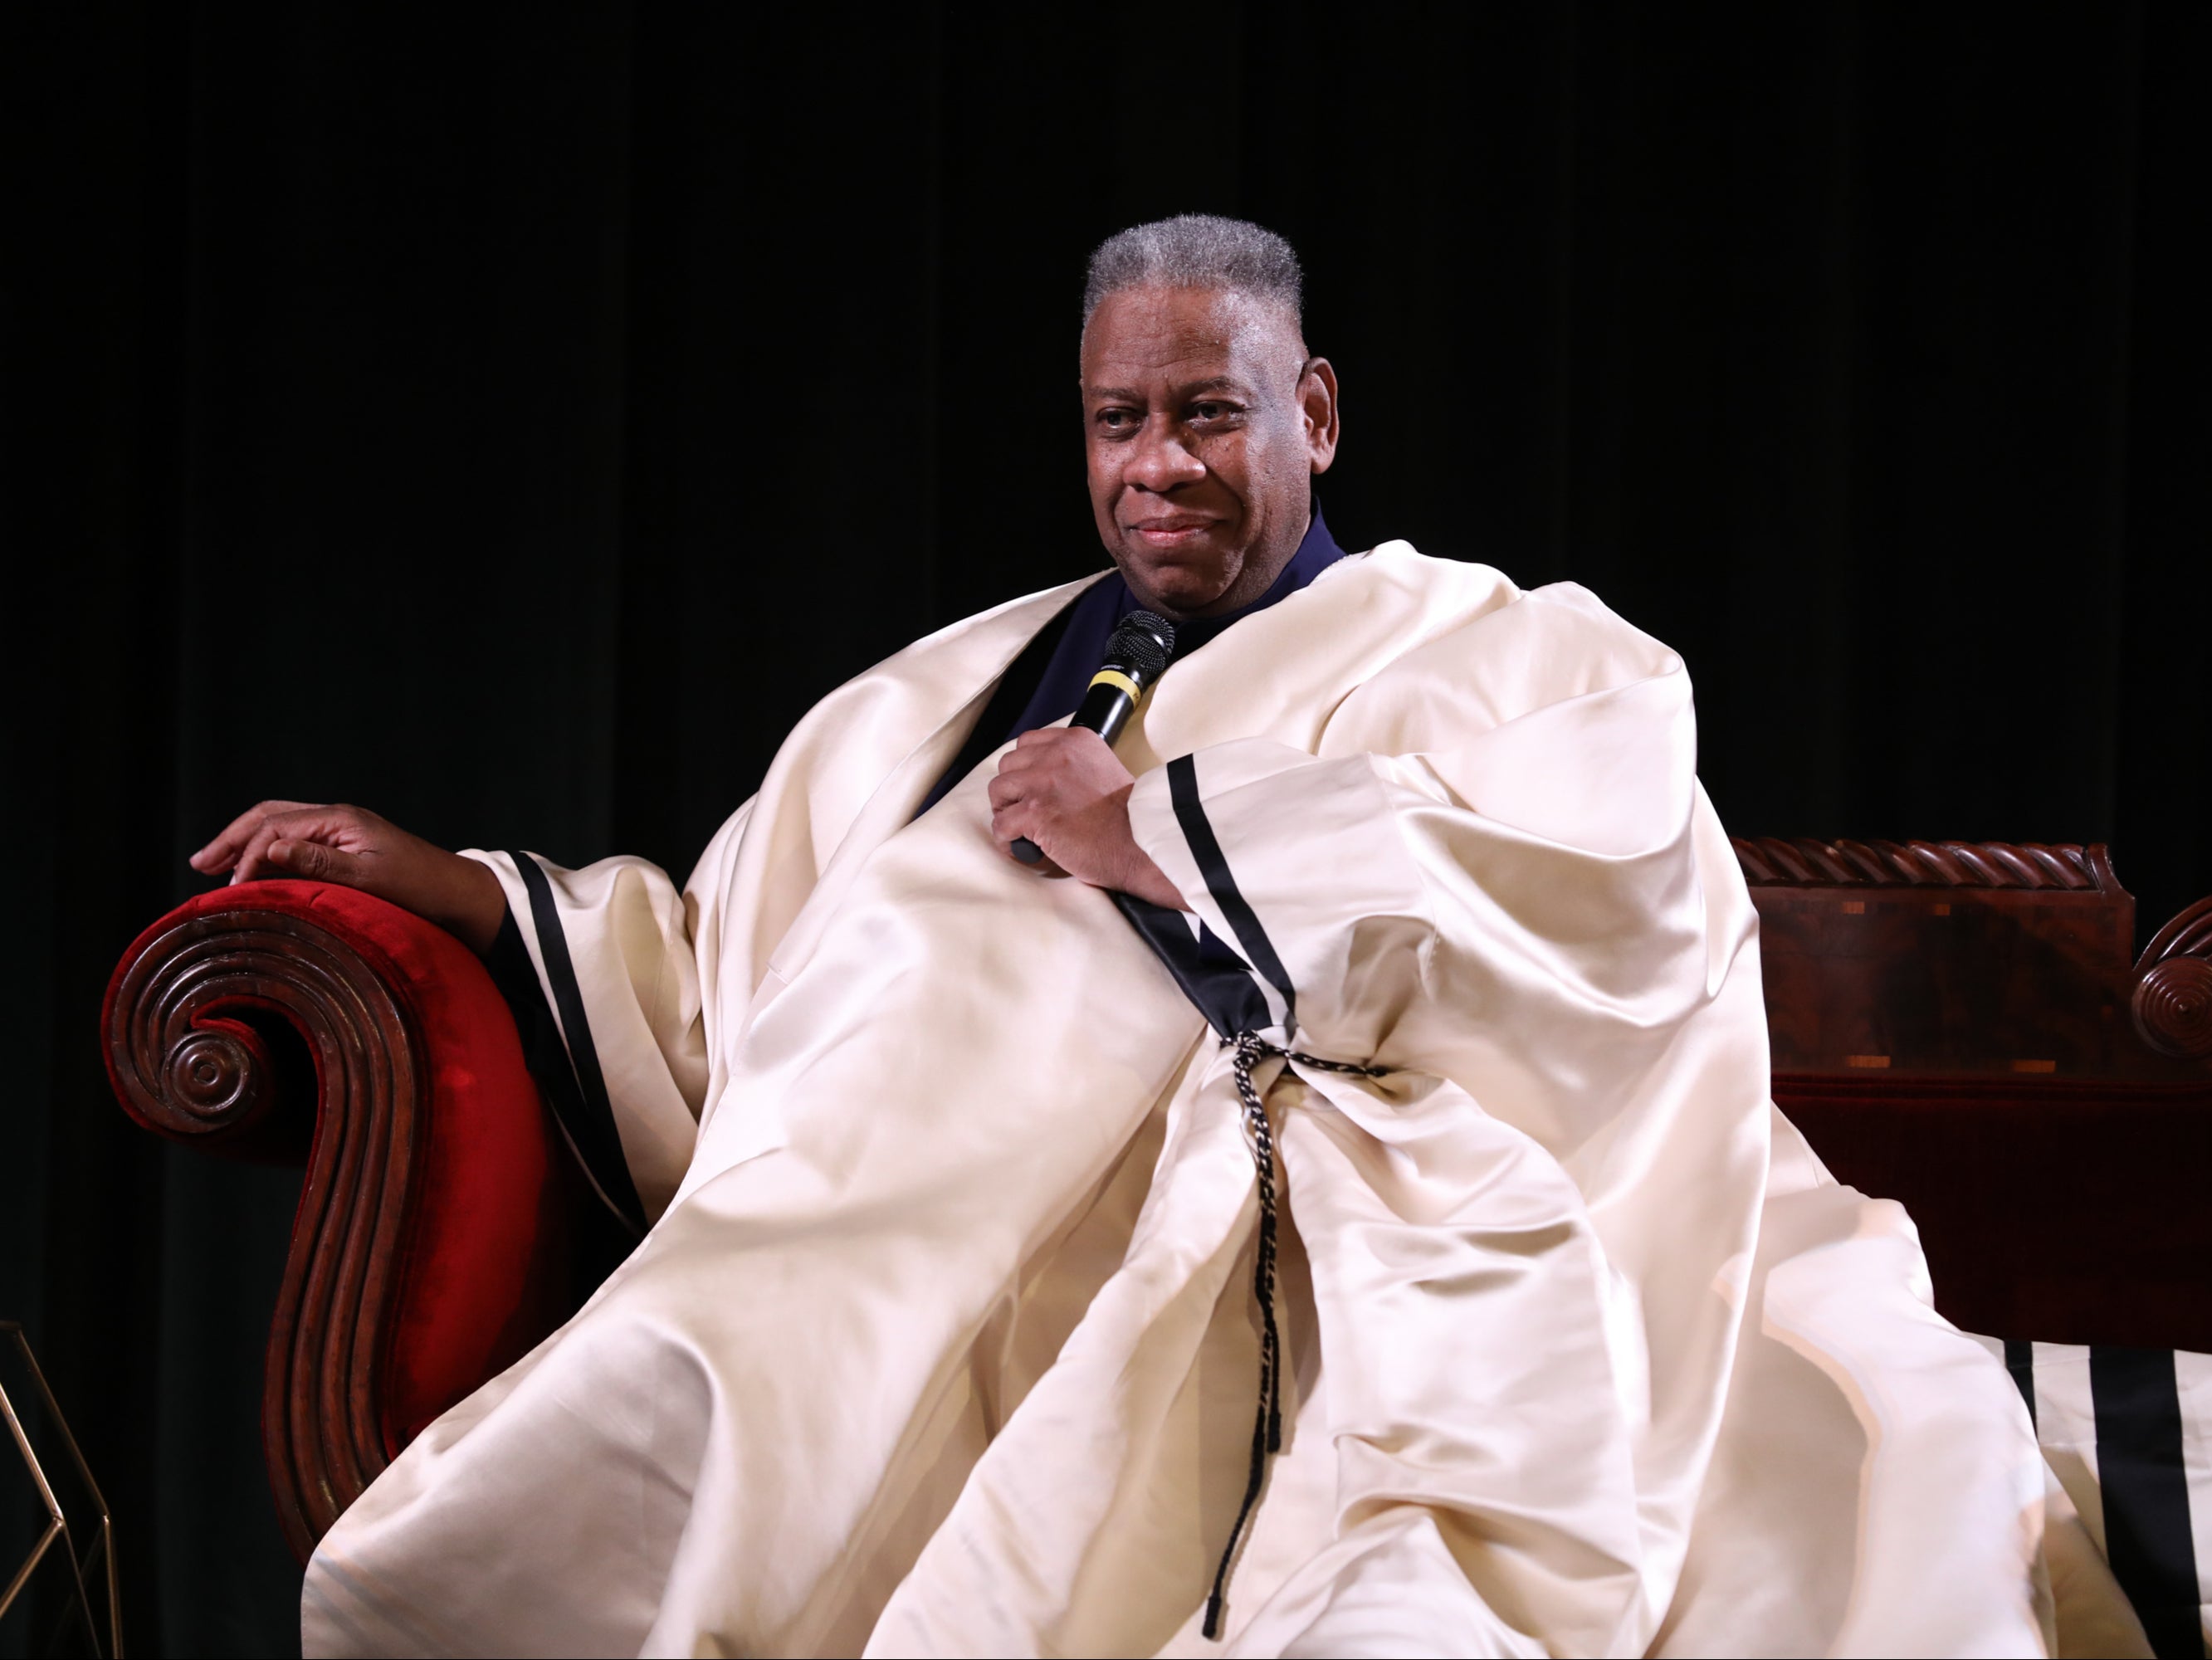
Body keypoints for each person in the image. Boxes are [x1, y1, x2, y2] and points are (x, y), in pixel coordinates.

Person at [195, 217, 2068, 1658]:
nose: (1157, 464)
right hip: (895, 1242)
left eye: (1208, 412)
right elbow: (716, 973)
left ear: (1313, 410)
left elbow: (1602, 900)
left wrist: (1158, 831)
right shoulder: (939, 693)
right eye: (1119, 421)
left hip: (1321, 1235)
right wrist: (431, 875)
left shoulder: (1508, 651)